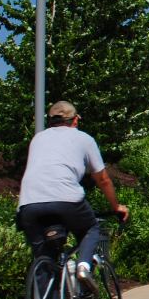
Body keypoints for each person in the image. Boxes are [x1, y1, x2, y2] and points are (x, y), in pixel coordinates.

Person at [17, 101, 129, 289]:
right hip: (67, 200)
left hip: (29, 204)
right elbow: (103, 179)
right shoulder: (84, 139)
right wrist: (116, 206)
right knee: (91, 228)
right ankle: (84, 265)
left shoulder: (37, 139)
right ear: (75, 120)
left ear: (50, 121)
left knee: (45, 259)